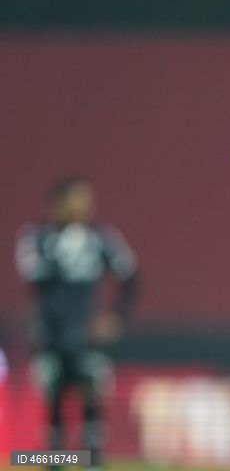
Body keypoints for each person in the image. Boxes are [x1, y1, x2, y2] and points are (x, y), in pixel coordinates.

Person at [15, 177, 139, 470]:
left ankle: (90, 464)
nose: (84, 207)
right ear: (58, 203)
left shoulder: (102, 239)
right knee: (53, 413)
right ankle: (54, 463)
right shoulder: (36, 238)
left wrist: (114, 317)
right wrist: (66, 246)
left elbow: (131, 277)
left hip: (87, 338)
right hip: (52, 337)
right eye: (77, 199)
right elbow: (34, 277)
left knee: (92, 409)